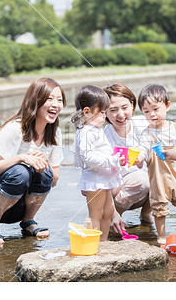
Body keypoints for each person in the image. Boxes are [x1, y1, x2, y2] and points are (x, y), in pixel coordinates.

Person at [0, 78, 66, 245]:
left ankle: (28, 221)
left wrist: (45, 164)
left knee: (45, 172)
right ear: (35, 101)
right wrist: (21, 158)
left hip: (19, 208)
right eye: (49, 99)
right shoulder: (15, 129)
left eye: (59, 100)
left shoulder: (55, 134)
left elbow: (54, 179)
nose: (56, 104)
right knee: (20, 171)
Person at [136, 84, 176, 245]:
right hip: (158, 179)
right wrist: (138, 157)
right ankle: (161, 234)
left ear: (167, 106)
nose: (152, 114)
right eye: (146, 111)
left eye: (155, 109)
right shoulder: (147, 133)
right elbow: (143, 150)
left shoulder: (174, 127)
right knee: (159, 209)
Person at [72, 85, 124, 242]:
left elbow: (101, 151)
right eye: (101, 113)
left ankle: (103, 242)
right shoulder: (85, 131)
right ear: (87, 111)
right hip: (94, 180)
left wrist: (115, 158)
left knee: (108, 212)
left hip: (104, 178)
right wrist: (112, 160)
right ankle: (93, 245)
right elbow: (88, 157)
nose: (104, 116)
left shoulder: (94, 129)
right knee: (96, 213)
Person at [103, 83, 152, 234]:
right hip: (116, 192)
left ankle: (147, 213)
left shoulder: (144, 125)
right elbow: (102, 180)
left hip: (146, 192)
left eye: (124, 107)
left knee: (165, 173)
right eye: (113, 110)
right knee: (141, 178)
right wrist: (113, 211)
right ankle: (113, 216)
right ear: (104, 112)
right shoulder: (104, 136)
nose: (120, 114)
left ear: (132, 105)